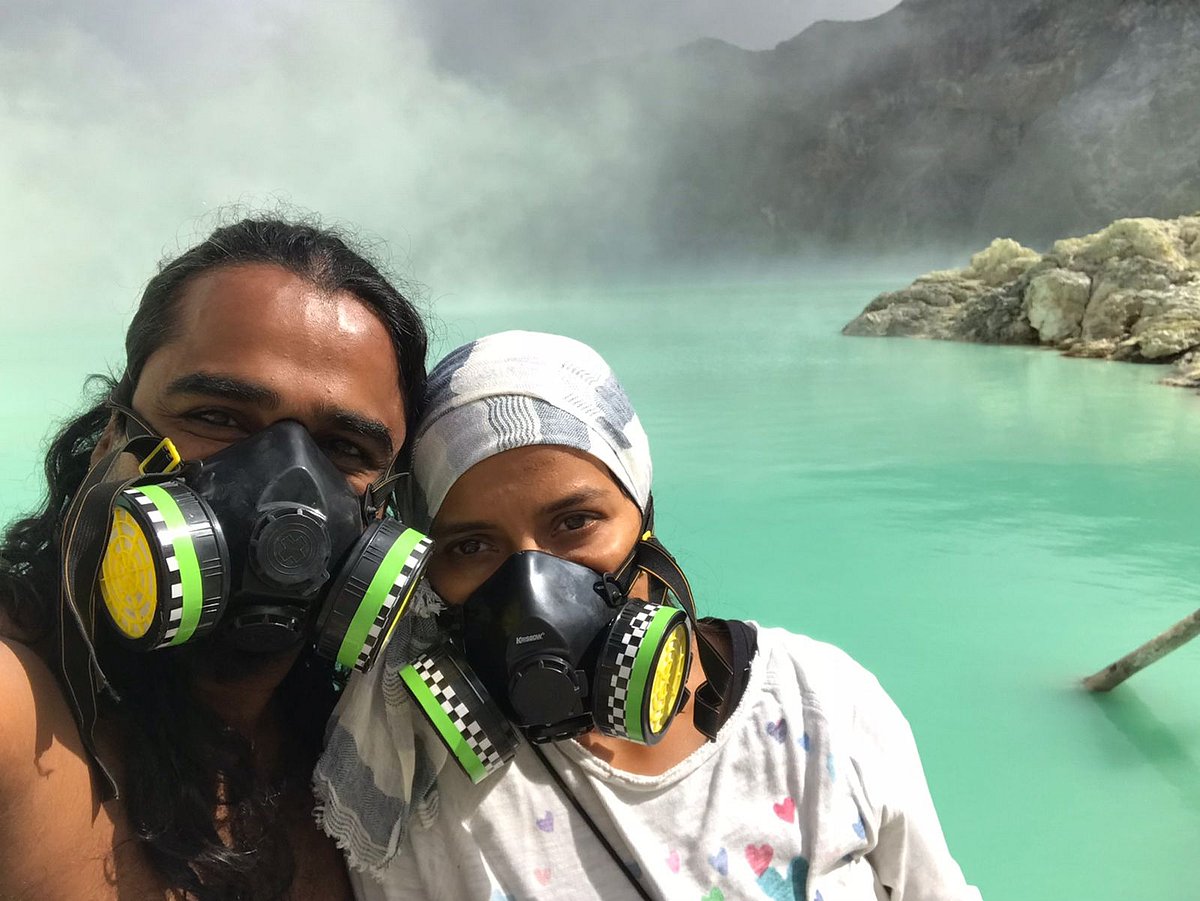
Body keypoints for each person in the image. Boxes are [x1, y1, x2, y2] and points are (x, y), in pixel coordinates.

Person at [315, 331, 982, 901]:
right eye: (472, 546)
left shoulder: (825, 705)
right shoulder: (407, 770)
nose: (531, 583)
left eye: (574, 522)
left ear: (644, 513)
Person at [0, 217, 429, 901]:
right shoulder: (21, 707)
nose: (289, 490)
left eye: (345, 449)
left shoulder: (382, 755)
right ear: (115, 437)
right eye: (219, 416)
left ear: (388, 514)